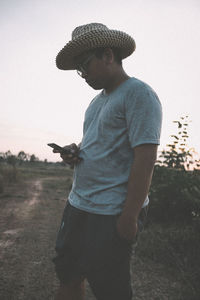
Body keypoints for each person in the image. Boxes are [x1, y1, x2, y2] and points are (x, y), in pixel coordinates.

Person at [52, 23, 162, 300]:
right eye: (78, 69)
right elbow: (98, 145)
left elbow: (145, 158)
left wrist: (130, 216)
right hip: (78, 205)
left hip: (110, 212)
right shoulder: (96, 103)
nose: (82, 74)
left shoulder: (140, 94)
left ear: (108, 55)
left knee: (110, 290)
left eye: (85, 65)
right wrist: (74, 152)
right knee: (69, 275)